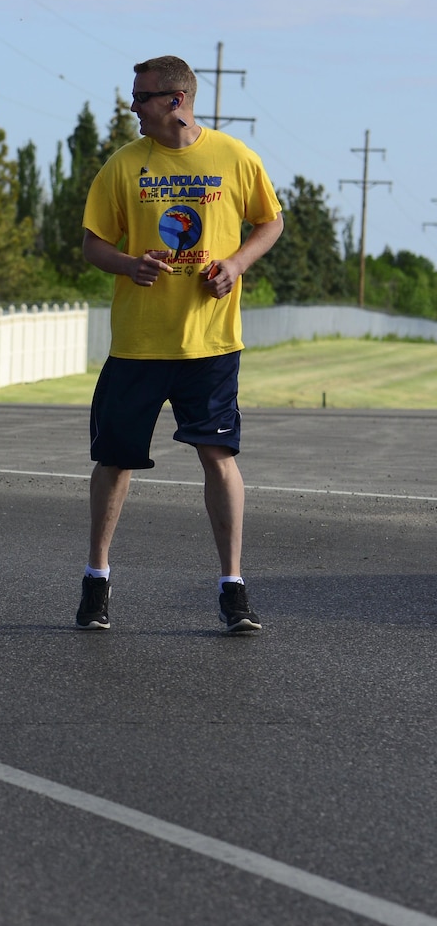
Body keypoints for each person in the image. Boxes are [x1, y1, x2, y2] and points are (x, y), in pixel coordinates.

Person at [76, 56, 284, 634]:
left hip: (210, 345)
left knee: (219, 459)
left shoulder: (235, 158)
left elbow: (270, 222)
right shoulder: (123, 165)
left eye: (140, 97)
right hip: (138, 344)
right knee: (115, 460)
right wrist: (128, 264)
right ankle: (97, 581)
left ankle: (233, 587)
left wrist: (237, 264)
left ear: (175, 100)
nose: (132, 106)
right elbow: (93, 245)